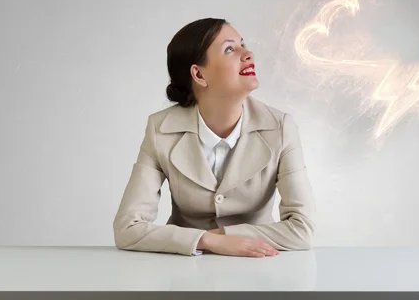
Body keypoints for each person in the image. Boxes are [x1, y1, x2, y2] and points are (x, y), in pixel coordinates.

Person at [113, 17, 316, 257]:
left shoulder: (280, 127)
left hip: (259, 269)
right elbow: (127, 228)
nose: (248, 54)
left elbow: (303, 230)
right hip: (182, 274)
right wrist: (205, 241)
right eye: (230, 49)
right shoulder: (161, 129)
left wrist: (223, 237)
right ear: (198, 75)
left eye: (243, 44)